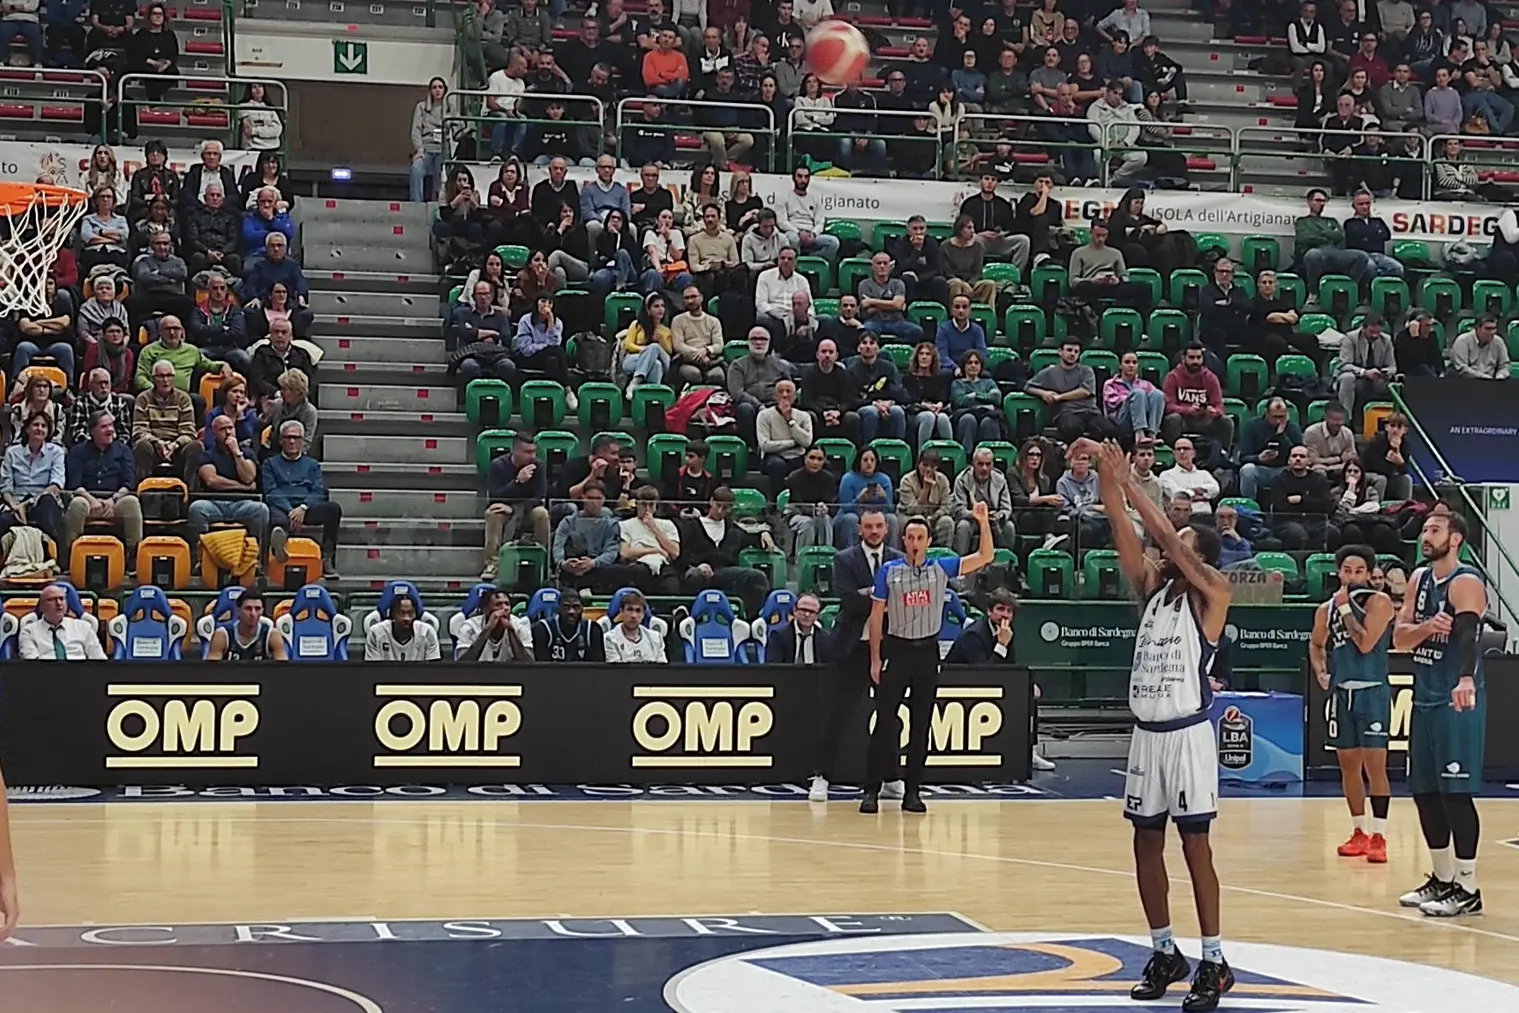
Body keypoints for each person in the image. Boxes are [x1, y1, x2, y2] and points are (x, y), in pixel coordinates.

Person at [1078, 437, 1234, 1010]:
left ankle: (1214, 960)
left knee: (1196, 847)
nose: (1169, 552)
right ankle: (1166, 950)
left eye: (1182, 547)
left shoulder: (1213, 592)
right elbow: (1123, 528)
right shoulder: (1152, 590)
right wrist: (1107, 481)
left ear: (1199, 556)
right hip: (1146, 735)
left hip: (1188, 735)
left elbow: (1164, 536)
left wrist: (1133, 485)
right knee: (1145, 842)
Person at [863, 502, 997, 815]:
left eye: (920, 537)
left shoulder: (942, 568)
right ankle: (871, 789)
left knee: (921, 724)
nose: (914, 542)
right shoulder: (889, 571)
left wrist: (983, 522)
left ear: (928, 542)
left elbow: (985, 557)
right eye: (909, 537)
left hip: (926, 652)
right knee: (884, 723)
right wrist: (874, 658)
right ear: (903, 541)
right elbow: (875, 617)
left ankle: (913, 791)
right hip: (896, 649)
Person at [1393, 512, 1488, 918]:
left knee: (1455, 793)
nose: (1425, 536)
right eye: (1425, 530)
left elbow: (1467, 635)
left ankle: (1468, 886)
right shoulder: (1418, 580)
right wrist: (1429, 626)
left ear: (1456, 540)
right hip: (1424, 697)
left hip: (1456, 698)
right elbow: (1399, 639)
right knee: (1425, 793)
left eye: (1434, 530)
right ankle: (1443, 878)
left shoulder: (1465, 582)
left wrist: (1465, 678)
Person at [1310, 544, 1395, 863]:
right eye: (1348, 570)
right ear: (1338, 571)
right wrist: (1320, 669)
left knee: (1376, 766)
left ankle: (1380, 835)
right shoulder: (1325, 609)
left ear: (1370, 573)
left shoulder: (1380, 602)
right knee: (1348, 765)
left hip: (1372, 691)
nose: (1353, 576)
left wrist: (1346, 609)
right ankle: (1358, 831)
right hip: (1341, 692)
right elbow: (1316, 642)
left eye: (1360, 571)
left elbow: (1364, 643)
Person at [945, 588, 1056, 771]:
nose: (1004, 615)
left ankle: (1031, 751)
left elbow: (1010, 666)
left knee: (1028, 695)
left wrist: (1026, 683)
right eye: (1000, 609)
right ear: (989, 611)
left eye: (1009, 611)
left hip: (988, 684)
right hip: (960, 688)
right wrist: (1001, 645)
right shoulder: (974, 635)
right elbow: (983, 676)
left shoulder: (1006, 632)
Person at [675, 487, 773, 616]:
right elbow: (681, 553)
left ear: (731, 509)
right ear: (711, 502)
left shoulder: (733, 529)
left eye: (725, 508)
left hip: (724, 572)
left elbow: (753, 538)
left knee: (757, 577)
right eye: (718, 505)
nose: (720, 511)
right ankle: (691, 616)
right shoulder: (691, 526)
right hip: (697, 569)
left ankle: (752, 619)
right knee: (694, 575)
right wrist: (698, 564)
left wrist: (764, 533)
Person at [262, 420, 341, 579]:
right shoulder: (270, 463)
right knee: (275, 516)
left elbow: (318, 491)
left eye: (296, 438)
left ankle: (326, 559)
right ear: (281, 440)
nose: (292, 441)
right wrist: (291, 511)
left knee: (333, 509)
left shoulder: (312, 465)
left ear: (302, 441)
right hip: (283, 507)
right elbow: (271, 490)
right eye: (288, 437)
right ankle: (276, 551)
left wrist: (303, 508)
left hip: (306, 508)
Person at [62, 410, 140, 565]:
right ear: (92, 431)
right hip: (88, 500)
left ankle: (134, 556)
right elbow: (74, 484)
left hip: (115, 502)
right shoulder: (78, 451)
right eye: (104, 426)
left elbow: (129, 483)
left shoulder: (123, 450)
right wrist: (92, 500)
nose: (110, 430)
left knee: (131, 502)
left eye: (111, 425)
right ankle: (70, 556)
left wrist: (113, 499)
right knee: (77, 504)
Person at [482, 434, 550, 581]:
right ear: (515, 451)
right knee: (493, 513)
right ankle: (492, 563)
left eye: (534, 452)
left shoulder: (539, 466)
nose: (532, 456)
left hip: (528, 509)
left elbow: (540, 496)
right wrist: (518, 482)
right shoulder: (498, 465)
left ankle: (541, 559)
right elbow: (494, 495)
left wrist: (516, 508)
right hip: (503, 507)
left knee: (542, 513)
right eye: (527, 452)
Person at [1026, 338, 1114, 442]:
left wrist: (1060, 397)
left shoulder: (1087, 371)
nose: (1072, 354)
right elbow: (1028, 387)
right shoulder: (1049, 373)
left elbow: (1085, 391)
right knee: (1072, 428)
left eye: (1076, 351)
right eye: (1069, 350)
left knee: (1109, 431)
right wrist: (1043, 393)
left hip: (1090, 412)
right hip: (1066, 413)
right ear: (1060, 351)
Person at [953, 447, 1016, 555]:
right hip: (971, 519)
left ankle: (1006, 562)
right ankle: (961, 563)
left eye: (988, 464)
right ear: (973, 464)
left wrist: (999, 516)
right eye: (980, 464)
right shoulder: (962, 480)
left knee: (1009, 526)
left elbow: (1006, 508)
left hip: (993, 518)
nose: (984, 468)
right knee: (963, 526)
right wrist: (975, 514)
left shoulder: (1000, 480)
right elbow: (959, 509)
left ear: (993, 464)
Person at [18, 582, 107, 660]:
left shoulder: (84, 627)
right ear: (42, 606)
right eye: (51, 599)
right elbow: (31, 667)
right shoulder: (28, 631)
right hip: (44, 677)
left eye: (61, 599)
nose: (59, 603)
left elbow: (99, 660)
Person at [1239, 398, 1303, 502]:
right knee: (1247, 470)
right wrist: (1259, 458)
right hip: (1261, 469)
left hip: (1284, 470)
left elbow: (1299, 455)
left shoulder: (1293, 428)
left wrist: (1281, 435)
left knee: (1300, 470)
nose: (1278, 421)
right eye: (1274, 417)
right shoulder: (1252, 426)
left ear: (1287, 414)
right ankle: (1250, 505)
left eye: (1282, 417)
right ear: (1267, 413)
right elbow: (1243, 457)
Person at [459, 588, 533, 662]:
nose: (505, 608)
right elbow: (462, 664)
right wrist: (487, 630)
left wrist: (512, 632)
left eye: (507, 604)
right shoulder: (469, 627)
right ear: (485, 609)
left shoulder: (520, 625)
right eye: (498, 604)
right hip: (477, 672)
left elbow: (529, 664)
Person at [364, 591, 442, 662]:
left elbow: (434, 669)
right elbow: (372, 670)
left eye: (410, 613)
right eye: (401, 613)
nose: (406, 618)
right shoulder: (376, 633)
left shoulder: (427, 632)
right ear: (392, 615)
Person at [532, 589, 606, 662]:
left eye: (576, 607)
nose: (571, 611)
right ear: (558, 608)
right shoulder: (543, 629)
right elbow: (541, 668)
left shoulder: (592, 630)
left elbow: (598, 668)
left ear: (582, 608)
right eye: (566, 607)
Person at [603, 590, 668, 663]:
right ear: (621, 612)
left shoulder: (656, 638)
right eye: (630, 610)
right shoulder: (609, 639)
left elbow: (662, 670)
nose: (634, 615)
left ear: (643, 614)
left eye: (638, 611)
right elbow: (616, 671)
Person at [1448, 315, 1511, 380]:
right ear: (1477, 328)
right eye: (1488, 328)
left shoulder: (1498, 341)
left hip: (1492, 382)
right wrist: (1484, 377)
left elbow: (1505, 365)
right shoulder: (1462, 341)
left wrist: (1501, 375)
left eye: (1494, 328)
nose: (1492, 332)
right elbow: (1462, 368)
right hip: (1467, 382)